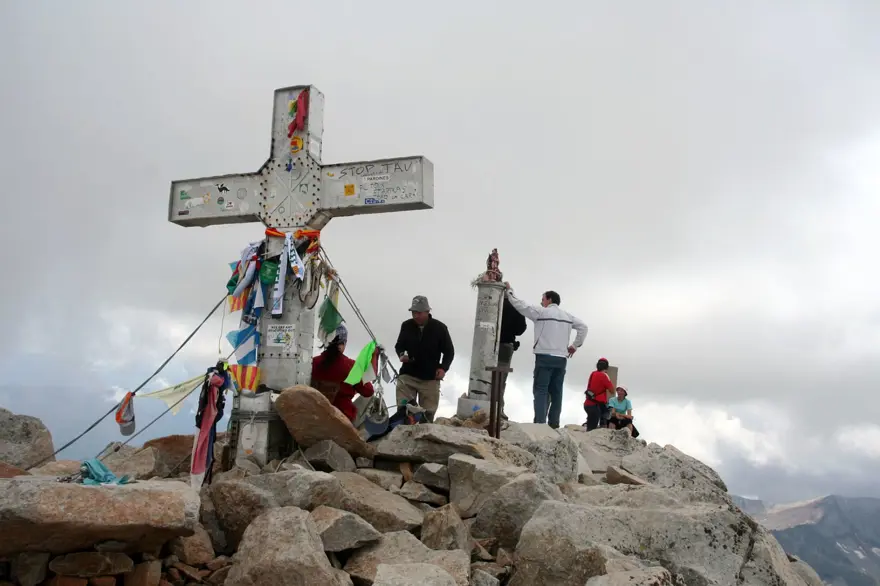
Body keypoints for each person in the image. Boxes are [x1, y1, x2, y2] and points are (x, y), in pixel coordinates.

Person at [505, 284, 588, 429]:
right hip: (561, 358)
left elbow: (521, 305)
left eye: (543, 299)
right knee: (557, 392)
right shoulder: (568, 316)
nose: (541, 302)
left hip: (544, 356)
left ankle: (540, 424)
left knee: (541, 390)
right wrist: (575, 346)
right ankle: (554, 423)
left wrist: (510, 291)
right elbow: (583, 327)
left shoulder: (541, 312)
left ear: (549, 300)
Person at [394, 295, 455, 423]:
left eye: (419, 313)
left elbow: (449, 352)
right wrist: (401, 354)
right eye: (413, 313)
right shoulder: (406, 326)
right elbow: (399, 346)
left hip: (430, 378)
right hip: (408, 376)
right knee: (403, 412)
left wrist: (443, 368)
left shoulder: (440, 328)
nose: (416, 316)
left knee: (427, 416)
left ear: (427, 311)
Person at [310, 325, 375, 422]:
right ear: (343, 343)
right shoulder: (351, 366)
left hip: (315, 417)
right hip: (342, 420)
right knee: (370, 399)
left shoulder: (312, 363)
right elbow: (368, 391)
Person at [497, 294, 527, 421]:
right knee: (500, 379)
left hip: (487, 344)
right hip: (506, 345)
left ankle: (484, 406)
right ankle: (498, 409)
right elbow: (521, 329)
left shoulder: (491, 302)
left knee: (485, 376)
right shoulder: (515, 306)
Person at [584, 357, 614, 431]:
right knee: (593, 428)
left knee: (590, 427)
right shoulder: (604, 376)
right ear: (606, 367)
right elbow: (612, 391)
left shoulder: (593, 373)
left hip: (587, 403)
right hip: (597, 406)